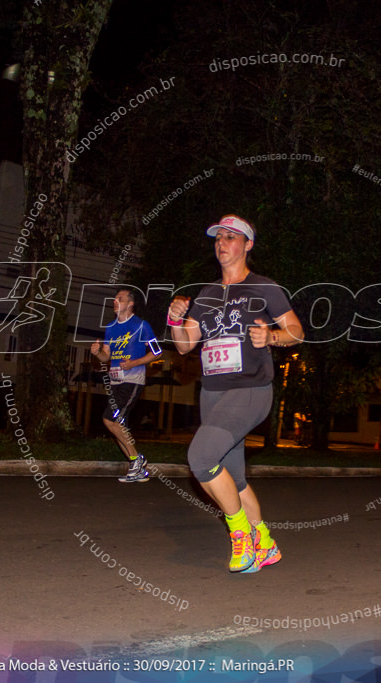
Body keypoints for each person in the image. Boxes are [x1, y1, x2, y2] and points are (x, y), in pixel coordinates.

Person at [167, 214, 304, 572]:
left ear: (247, 245)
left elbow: (296, 331)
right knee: (234, 477)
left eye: (231, 237)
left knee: (199, 457)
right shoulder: (207, 294)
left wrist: (272, 337)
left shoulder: (264, 288)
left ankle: (240, 534)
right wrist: (174, 320)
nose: (222, 243)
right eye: (218, 238)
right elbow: (185, 347)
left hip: (250, 389)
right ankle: (266, 542)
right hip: (213, 392)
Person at [91, 286, 162, 483]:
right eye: (114, 299)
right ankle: (138, 470)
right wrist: (97, 352)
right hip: (115, 381)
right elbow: (107, 356)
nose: (115, 301)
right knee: (119, 428)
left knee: (109, 421)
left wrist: (134, 363)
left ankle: (137, 460)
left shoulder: (141, 325)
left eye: (119, 298)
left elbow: (157, 352)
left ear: (130, 304)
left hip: (132, 381)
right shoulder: (111, 327)